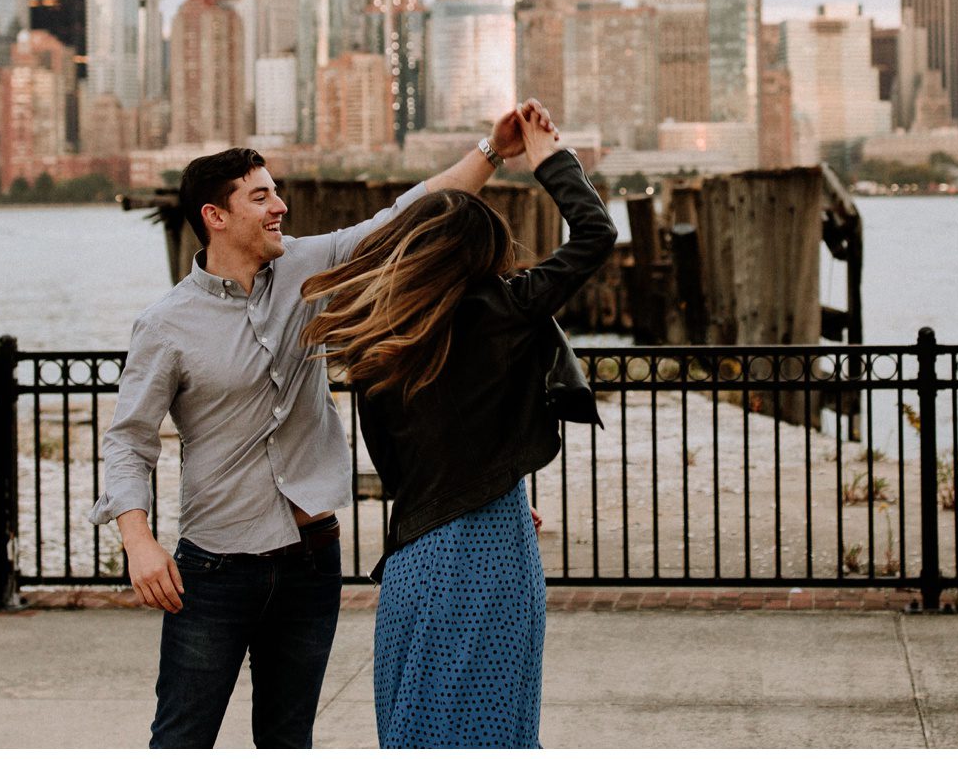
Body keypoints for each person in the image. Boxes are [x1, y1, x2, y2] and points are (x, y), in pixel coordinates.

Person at [92, 101, 556, 749]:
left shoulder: (308, 272)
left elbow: (402, 217)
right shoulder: (166, 323)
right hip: (217, 569)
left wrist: (493, 151)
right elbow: (129, 438)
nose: (279, 205)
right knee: (182, 736)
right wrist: (139, 542)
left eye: (277, 191)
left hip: (311, 564)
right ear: (215, 217)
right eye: (261, 196)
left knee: (289, 738)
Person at [301, 105, 616, 749]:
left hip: (415, 555)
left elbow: (396, 462)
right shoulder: (506, 306)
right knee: (495, 722)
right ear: (485, 251)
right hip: (493, 545)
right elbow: (594, 235)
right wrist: (551, 161)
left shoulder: (379, 337)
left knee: (418, 721)